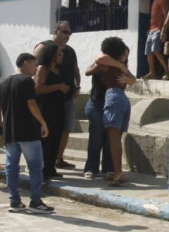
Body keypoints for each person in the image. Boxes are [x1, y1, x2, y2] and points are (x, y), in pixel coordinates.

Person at [0, 52, 52, 214]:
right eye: (34, 65)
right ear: (25, 63)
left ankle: (14, 200)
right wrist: (43, 122)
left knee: (11, 167)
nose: (35, 69)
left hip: (10, 133)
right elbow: (31, 104)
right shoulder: (26, 81)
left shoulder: (4, 83)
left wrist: (0, 127)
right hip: (27, 132)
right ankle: (35, 201)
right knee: (35, 167)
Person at [89, 36, 136, 186]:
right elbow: (133, 79)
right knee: (115, 137)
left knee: (113, 138)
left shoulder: (107, 65)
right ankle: (116, 171)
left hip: (113, 97)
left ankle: (117, 172)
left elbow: (98, 60)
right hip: (122, 98)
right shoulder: (118, 65)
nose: (126, 55)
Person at [33, 41, 69, 182]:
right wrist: (58, 86)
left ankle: (50, 169)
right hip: (45, 108)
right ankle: (42, 171)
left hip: (58, 108)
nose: (61, 56)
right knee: (45, 141)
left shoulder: (59, 70)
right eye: (59, 54)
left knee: (56, 139)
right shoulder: (43, 69)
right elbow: (37, 89)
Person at [52, 21, 80, 169]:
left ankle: (59, 158)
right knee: (51, 128)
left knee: (66, 128)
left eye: (69, 33)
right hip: (51, 98)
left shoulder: (70, 51)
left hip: (68, 97)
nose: (67, 36)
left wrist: (78, 86)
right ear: (56, 31)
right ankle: (48, 158)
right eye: (64, 32)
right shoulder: (46, 48)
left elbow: (76, 69)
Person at [81, 53, 114, 180]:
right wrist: (100, 66)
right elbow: (88, 72)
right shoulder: (99, 64)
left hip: (111, 104)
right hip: (96, 103)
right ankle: (91, 168)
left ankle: (108, 168)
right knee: (96, 137)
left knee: (109, 138)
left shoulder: (118, 67)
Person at [143, 0, 169, 80]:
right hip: (152, 29)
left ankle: (166, 70)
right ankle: (152, 72)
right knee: (148, 51)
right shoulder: (155, 0)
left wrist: (164, 30)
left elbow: (166, 15)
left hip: (159, 29)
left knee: (155, 49)